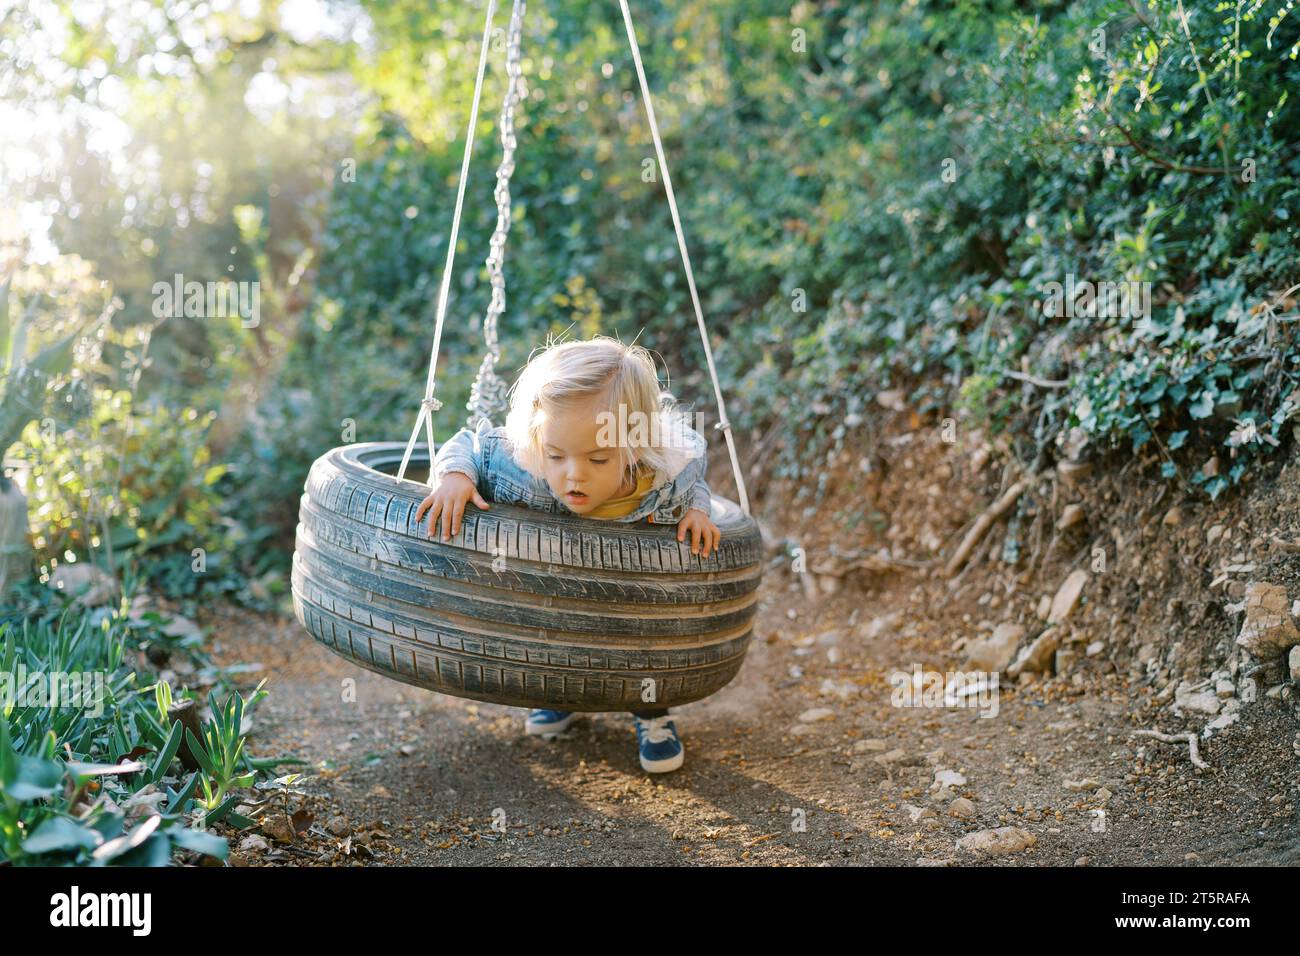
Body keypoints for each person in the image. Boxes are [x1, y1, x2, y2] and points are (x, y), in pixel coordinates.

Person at [414, 335, 721, 772]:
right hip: (558, 577)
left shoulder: (663, 478)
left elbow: (692, 482)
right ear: (540, 442)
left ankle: (652, 713)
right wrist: (455, 475)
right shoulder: (522, 463)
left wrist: (697, 511)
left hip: (631, 590)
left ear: (632, 447)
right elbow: (472, 443)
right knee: (552, 624)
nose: (573, 475)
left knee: (646, 639)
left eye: (598, 460)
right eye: (557, 455)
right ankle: (562, 694)